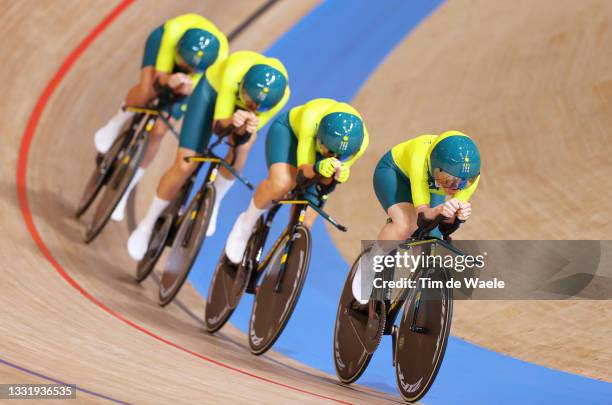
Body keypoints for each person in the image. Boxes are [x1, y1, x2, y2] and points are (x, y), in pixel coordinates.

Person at [127, 50, 290, 261]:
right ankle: (147, 225)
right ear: (242, 84)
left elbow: (241, 137)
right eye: (250, 100)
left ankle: (215, 201)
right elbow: (218, 127)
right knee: (185, 165)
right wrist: (231, 120)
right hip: (211, 94)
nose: (253, 107)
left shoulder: (280, 96)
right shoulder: (234, 73)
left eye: (260, 106)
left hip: (239, 105)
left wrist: (244, 128)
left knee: (243, 146)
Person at [93, 13, 228, 221]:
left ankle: (126, 191)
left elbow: (201, 90)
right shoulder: (172, 35)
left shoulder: (217, 61)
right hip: (162, 45)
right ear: (179, 51)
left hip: (197, 76)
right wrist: (169, 80)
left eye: (193, 68)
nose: (188, 68)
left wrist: (186, 87)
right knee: (147, 91)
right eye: (185, 63)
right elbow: (159, 79)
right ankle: (115, 123)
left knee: (158, 131)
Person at [224, 98, 369, 264]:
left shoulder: (360, 143)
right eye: (329, 152)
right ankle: (246, 223)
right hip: (290, 135)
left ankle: (282, 266)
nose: (335, 157)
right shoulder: (311, 117)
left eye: (341, 156)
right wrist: (316, 168)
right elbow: (302, 174)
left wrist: (336, 177)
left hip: (321, 151)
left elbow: (324, 187)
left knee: (306, 221)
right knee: (283, 184)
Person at [352, 130, 481, 304]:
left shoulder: (470, 175)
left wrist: (458, 217)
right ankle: (371, 262)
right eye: (449, 179)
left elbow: (445, 227)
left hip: (431, 187)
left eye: (464, 182)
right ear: (435, 166)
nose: (456, 188)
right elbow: (423, 217)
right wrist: (440, 210)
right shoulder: (419, 158)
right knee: (406, 225)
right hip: (394, 174)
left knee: (430, 243)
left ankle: (419, 299)